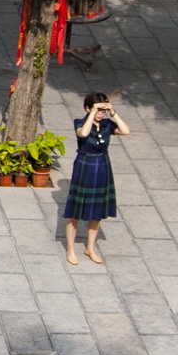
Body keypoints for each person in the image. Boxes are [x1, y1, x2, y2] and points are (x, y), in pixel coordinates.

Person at [64, 92, 129, 265]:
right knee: (75, 211)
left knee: (96, 211)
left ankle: (90, 247)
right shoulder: (80, 122)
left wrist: (112, 111)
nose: (101, 114)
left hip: (102, 165)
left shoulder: (107, 124)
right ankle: (70, 248)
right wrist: (92, 113)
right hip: (84, 164)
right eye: (98, 110)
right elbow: (83, 134)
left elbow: (125, 131)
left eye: (102, 110)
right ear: (88, 108)